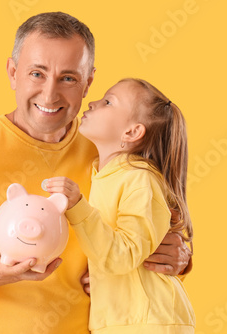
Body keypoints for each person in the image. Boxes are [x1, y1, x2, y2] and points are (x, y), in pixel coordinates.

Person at [0, 12, 192, 334]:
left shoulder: (109, 155)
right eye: (37, 74)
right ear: (13, 73)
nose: (49, 94)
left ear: (88, 83)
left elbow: (131, 244)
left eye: (68, 78)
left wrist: (177, 258)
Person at [45, 78, 195, 333]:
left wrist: (78, 206)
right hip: (122, 321)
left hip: (147, 324)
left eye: (107, 102)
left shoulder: (139, 179)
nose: (92, 103)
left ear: (132, 132)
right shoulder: (105, 175)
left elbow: (121, 255)